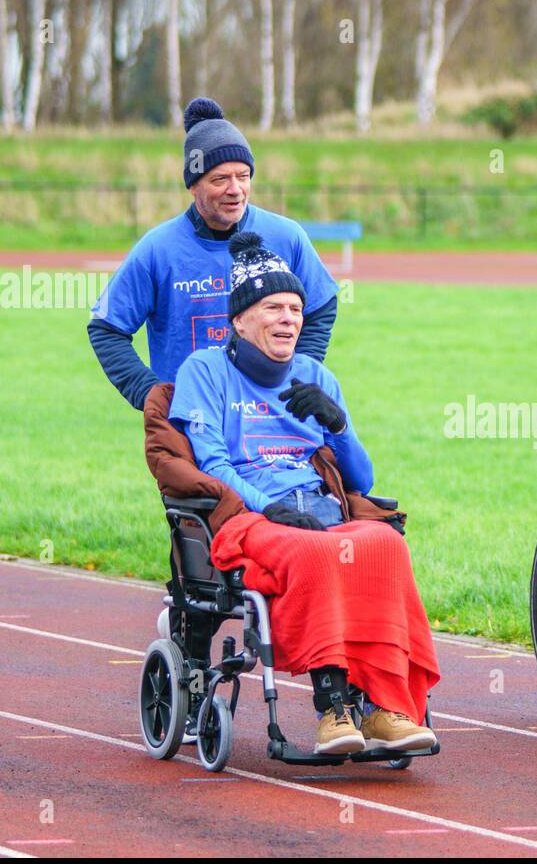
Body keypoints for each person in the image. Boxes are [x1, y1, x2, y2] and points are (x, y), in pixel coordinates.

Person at [169, 231, 438, 755]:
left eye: (295, 307)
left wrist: (338, 426)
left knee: (385, 545)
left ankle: (386, 707)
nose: (289, 318)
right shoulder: (204, 372)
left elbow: (363, 480)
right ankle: (333, 709)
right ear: (240, 320)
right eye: (273, 307)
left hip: (319, 508)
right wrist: (267, 507)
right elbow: (213, 464)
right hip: (249, 516)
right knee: (318, 552)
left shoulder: (315, 375)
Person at [88, 97, 338, 411]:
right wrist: (152, 394)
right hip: (189, 422)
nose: (235, 189)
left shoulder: (286, 237)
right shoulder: (158, 250)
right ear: (194, 186)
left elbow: (322, 305)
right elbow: (106, 327)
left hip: (269, 419)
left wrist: (298, 376)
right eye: (220, 179)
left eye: (243, 176)